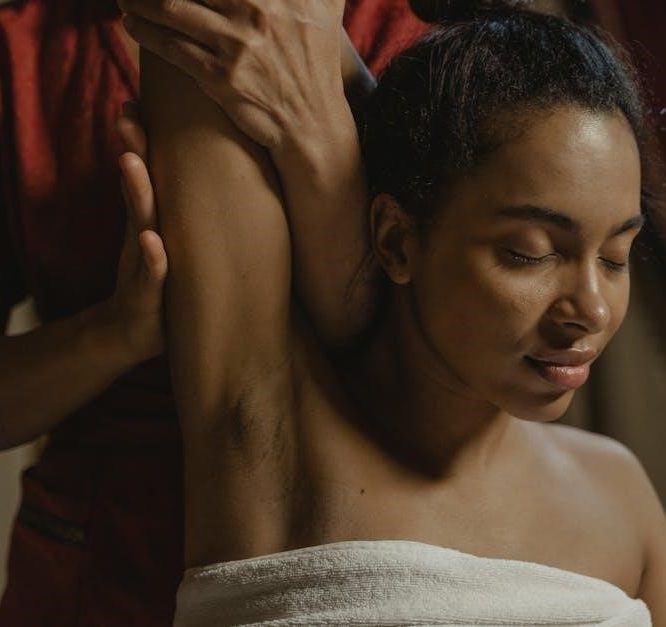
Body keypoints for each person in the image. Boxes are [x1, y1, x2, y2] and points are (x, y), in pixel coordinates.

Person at [119, 0, 665, 623]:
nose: (592, 309)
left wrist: (338, 105)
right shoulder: (262, 440)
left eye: (616, 257)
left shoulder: (623, 495)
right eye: (529, 253)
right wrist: (328, 127)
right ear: (397, 241)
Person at [0, 0, 425, 624]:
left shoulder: (404, 33)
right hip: (97, 563)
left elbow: (465, 342)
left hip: (354, 539)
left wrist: (327, 111)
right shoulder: (24, 57)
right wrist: (114, 335)